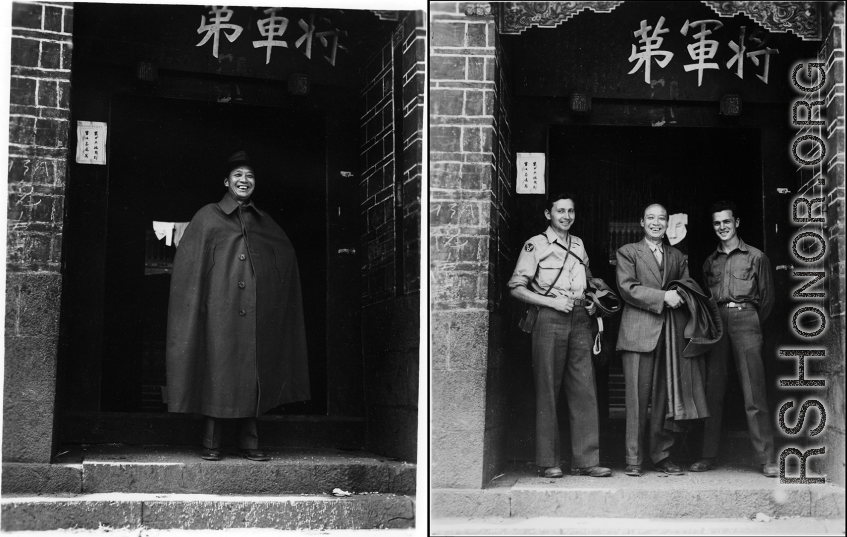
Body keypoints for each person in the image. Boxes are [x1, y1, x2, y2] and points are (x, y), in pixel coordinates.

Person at [165, 151, 310, 461]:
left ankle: (249, 440)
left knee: (251, 376)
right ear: (226, 181)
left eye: (250, 176)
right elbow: (190, 270)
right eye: (238, 175)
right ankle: (211, 441)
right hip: (218, 313)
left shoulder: (264, 221)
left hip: (254, 317)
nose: (244, 181)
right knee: (218, 373)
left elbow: (283, 256)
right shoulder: (208, 216)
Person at [507, 192, 611, 479]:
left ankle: (586, 461)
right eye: (560, 211)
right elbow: (516, 287)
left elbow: (587, 281)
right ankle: (548, 461)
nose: (566, 216)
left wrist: (590, 301)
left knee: (584, 388)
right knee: (547, 389)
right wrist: (552, 302)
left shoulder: (578, 244)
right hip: (549, 318)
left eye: (570, 211)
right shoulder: (535, 245)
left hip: (580, 319)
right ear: (548, 214)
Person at [689, 200, 778, 477]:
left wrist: (748, 321)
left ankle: (766, 459)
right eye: (717, 223)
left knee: (754, 389)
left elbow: (767, 300)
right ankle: (707, 455)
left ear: (736, 223)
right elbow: (706, 295)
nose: (722, 227)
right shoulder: (709, 262)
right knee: (712, 389)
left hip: (746, 319)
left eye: (726, 222)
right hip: (717, 323)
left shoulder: (756, 257)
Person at [615, 203, 690, 477]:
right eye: (651, 218)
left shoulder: (678, 256)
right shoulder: (627, 252)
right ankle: (633, 459)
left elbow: (686, 287)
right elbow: (627, 288)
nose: (656, 223)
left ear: (668, 223)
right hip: (637, 334)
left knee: (662, 399)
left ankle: (661, 456)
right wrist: (663, 297)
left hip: (668, 335)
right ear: (642, 222)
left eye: (661, 218)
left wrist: (680, 295)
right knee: (635, 399)